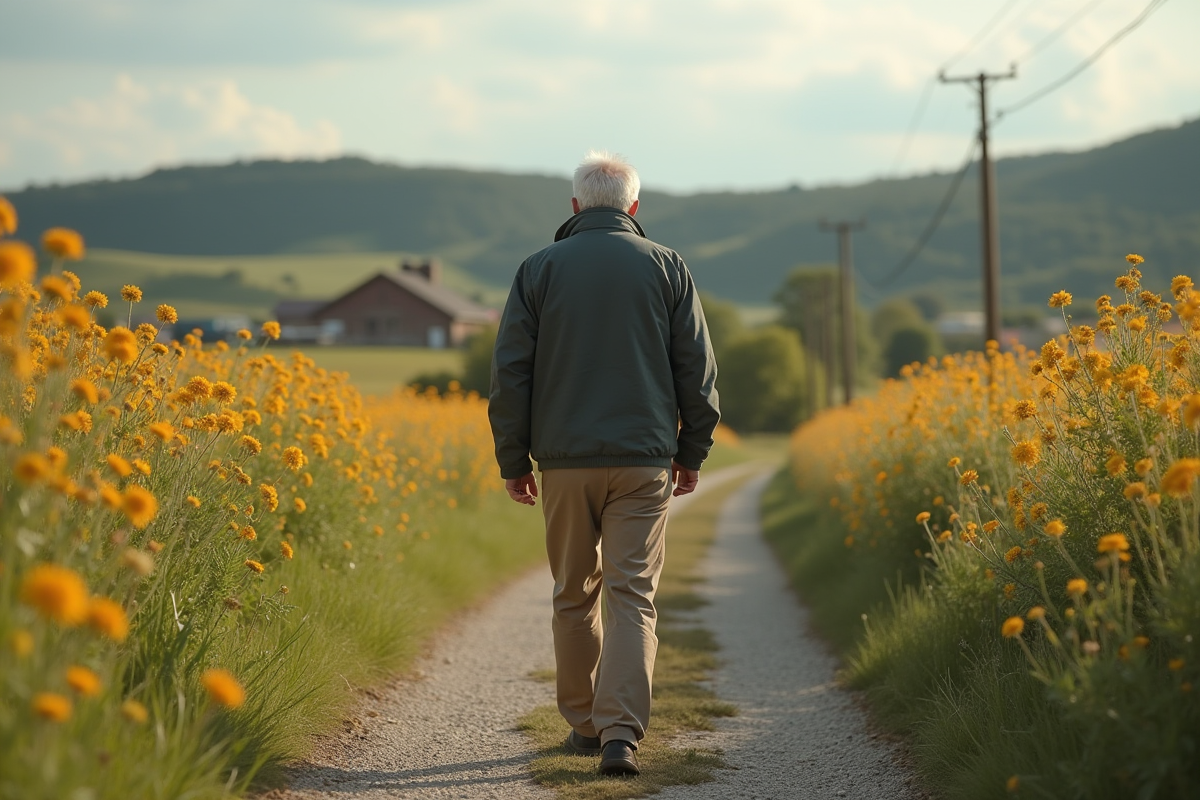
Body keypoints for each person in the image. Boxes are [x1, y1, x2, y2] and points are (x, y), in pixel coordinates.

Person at [488, 150, 720, 777]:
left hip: (563, 464)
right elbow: (698, 372)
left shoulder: (537, 269)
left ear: (575, 206)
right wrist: (691, 451)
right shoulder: (668, 266)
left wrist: (514, 459)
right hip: (645, 462)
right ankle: (621, 734)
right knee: (632, 594)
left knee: (573, 593)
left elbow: (510, 374)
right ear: (633, 207)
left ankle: (585, 725)